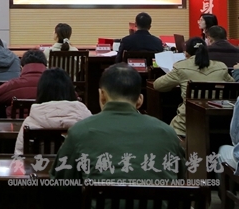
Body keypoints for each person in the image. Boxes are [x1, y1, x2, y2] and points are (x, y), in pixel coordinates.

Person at [51, 63, 185, 182]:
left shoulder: (79, 131)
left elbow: (62, 183)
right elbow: (181, 180)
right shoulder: (168, 133)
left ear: (102, 95)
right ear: (140, 100)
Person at [153, 37, 233, 137]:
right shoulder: (221, 67)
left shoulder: (181, 67)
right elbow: (233, 85)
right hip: (218, 122)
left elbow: (157, 85)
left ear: (186, 53)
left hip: (187, 122)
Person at [14, 68, 91, 155]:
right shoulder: (87, 119)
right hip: (79, 164)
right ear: (70, 90)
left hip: (39, 164)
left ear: (41, 91)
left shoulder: (30, 122)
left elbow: (19, 155)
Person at [0, 50, 47, 117]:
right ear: (45, 66)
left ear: (22, 67)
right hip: (45, 122)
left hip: (16, 123)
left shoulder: (12, 85)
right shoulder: (55, 86)